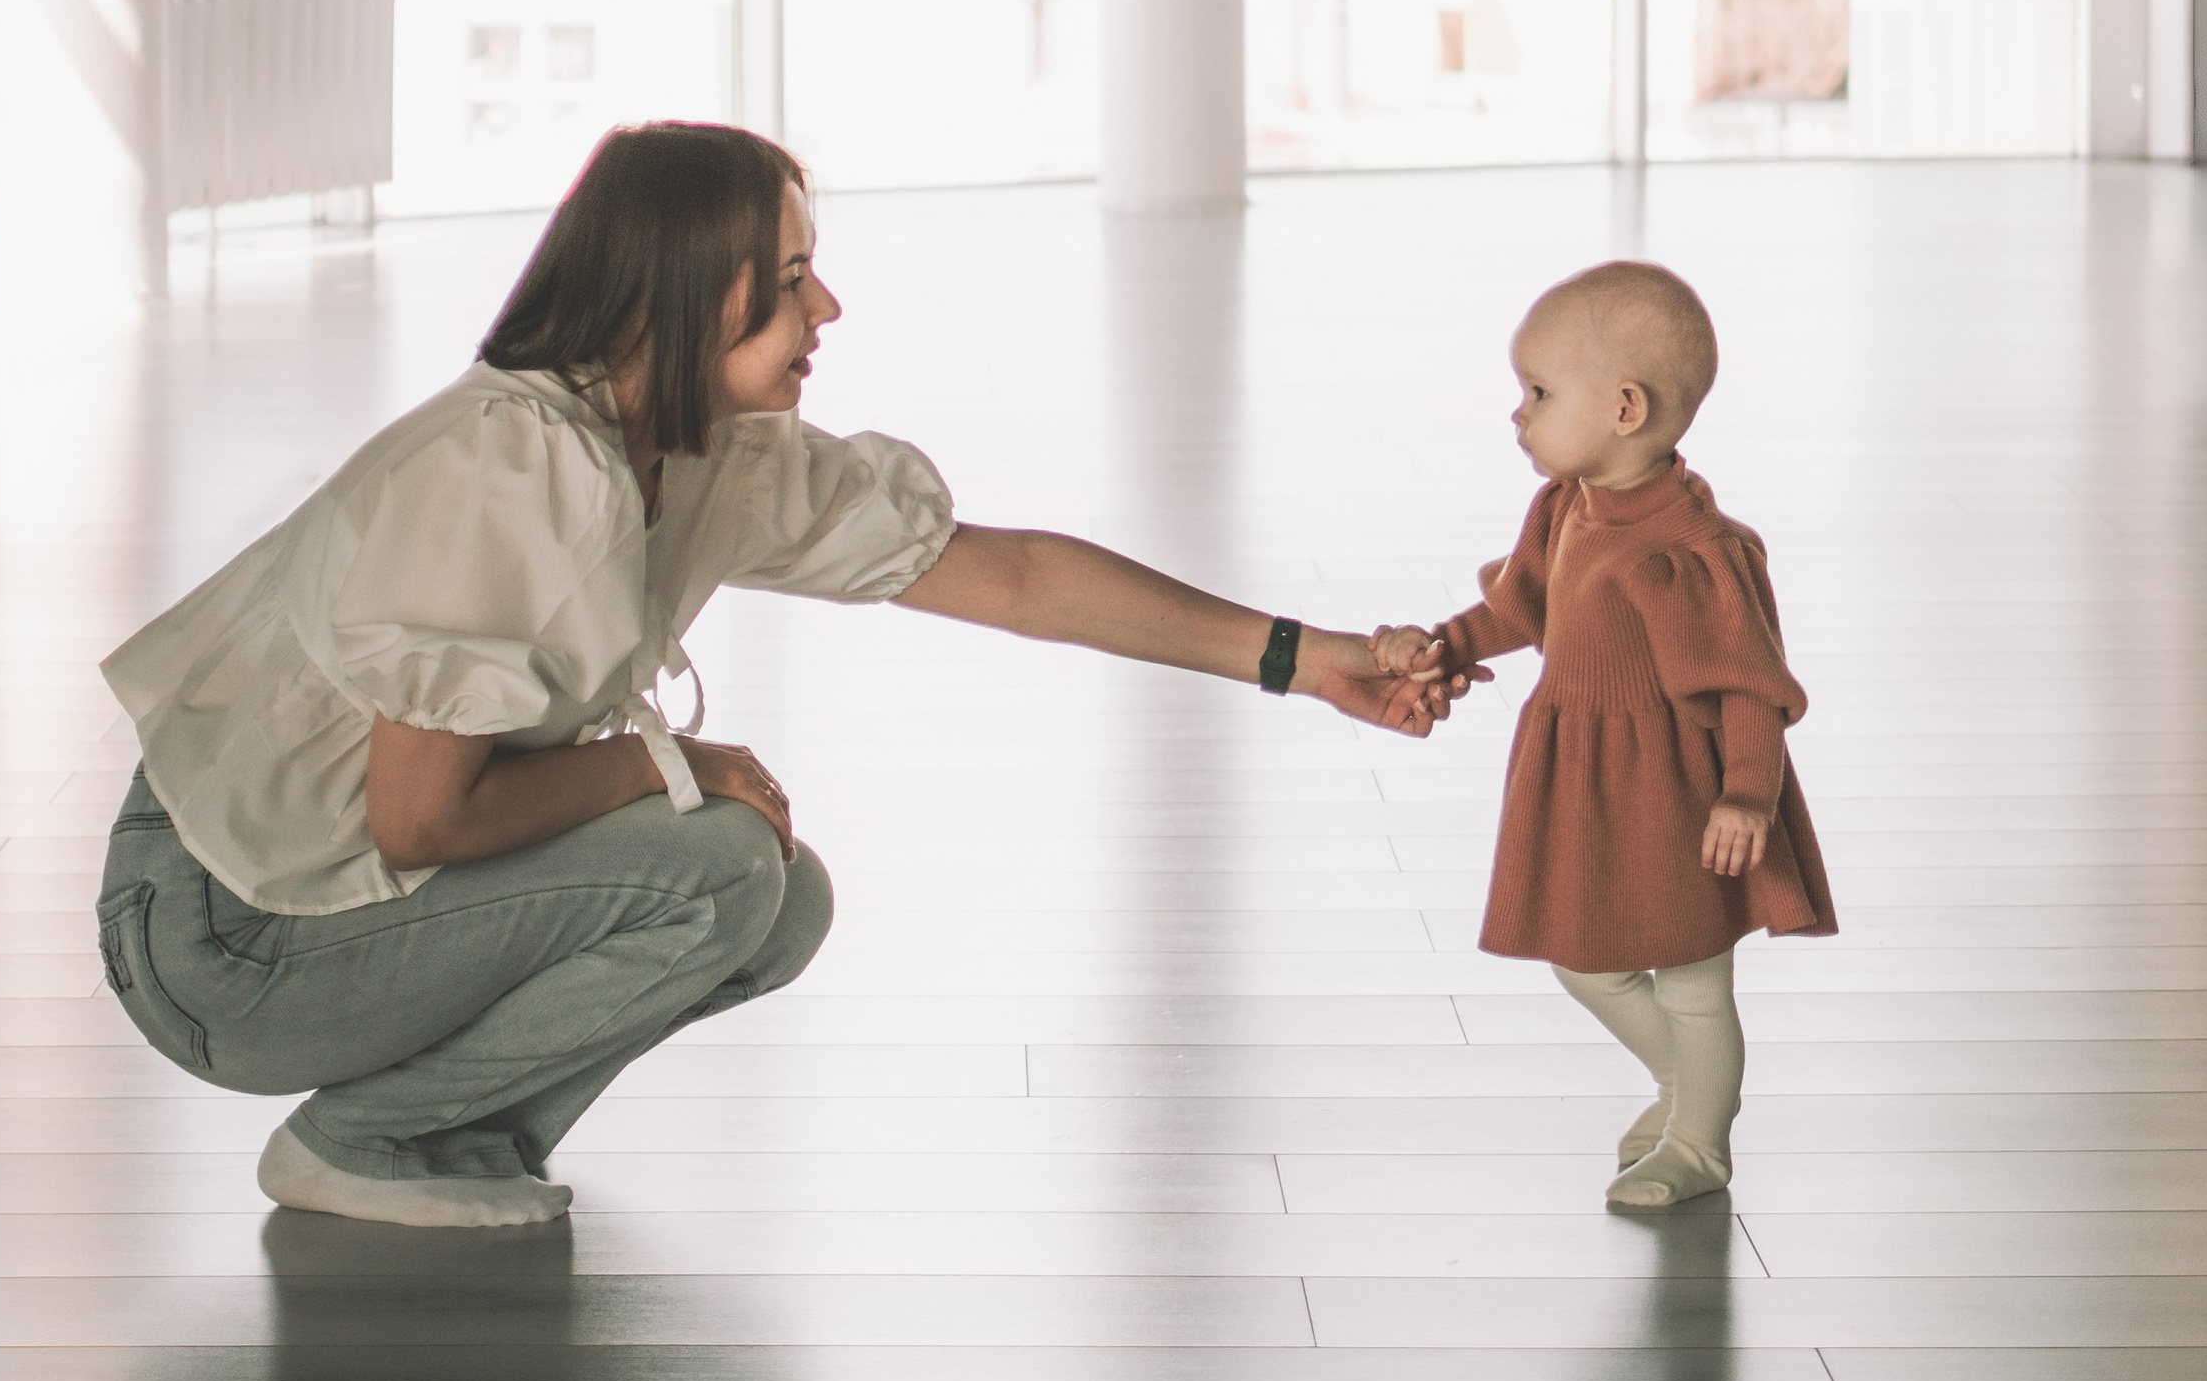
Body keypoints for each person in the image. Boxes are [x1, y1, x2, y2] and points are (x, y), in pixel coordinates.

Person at [98, 119, 1438, 1232]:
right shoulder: (508, 468)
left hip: (326, 907)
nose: (828, 307)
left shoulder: (703, 446)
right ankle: (366, 1144)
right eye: (790, 277)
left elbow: (1012, 577)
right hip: (222, 938)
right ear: (668, 294)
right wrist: (657, 763)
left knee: (775, 900)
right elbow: (417, 820)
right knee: (727, 862)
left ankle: (432, 1145)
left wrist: (1308, 663)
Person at [1374, 258, 1835, 1215]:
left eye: (1538, 392)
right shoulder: (1565, 506)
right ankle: (1686, 1087)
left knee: (1693, 976)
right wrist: (1448, 643)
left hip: (1679, 786)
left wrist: (1747, 791)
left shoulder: (1692, 551)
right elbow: (1524, 607)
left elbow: (1748, 684)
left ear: (1625, 407)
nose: (1518, 415)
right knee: (1589, 959)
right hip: (1586, 772)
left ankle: (1700, 1143)